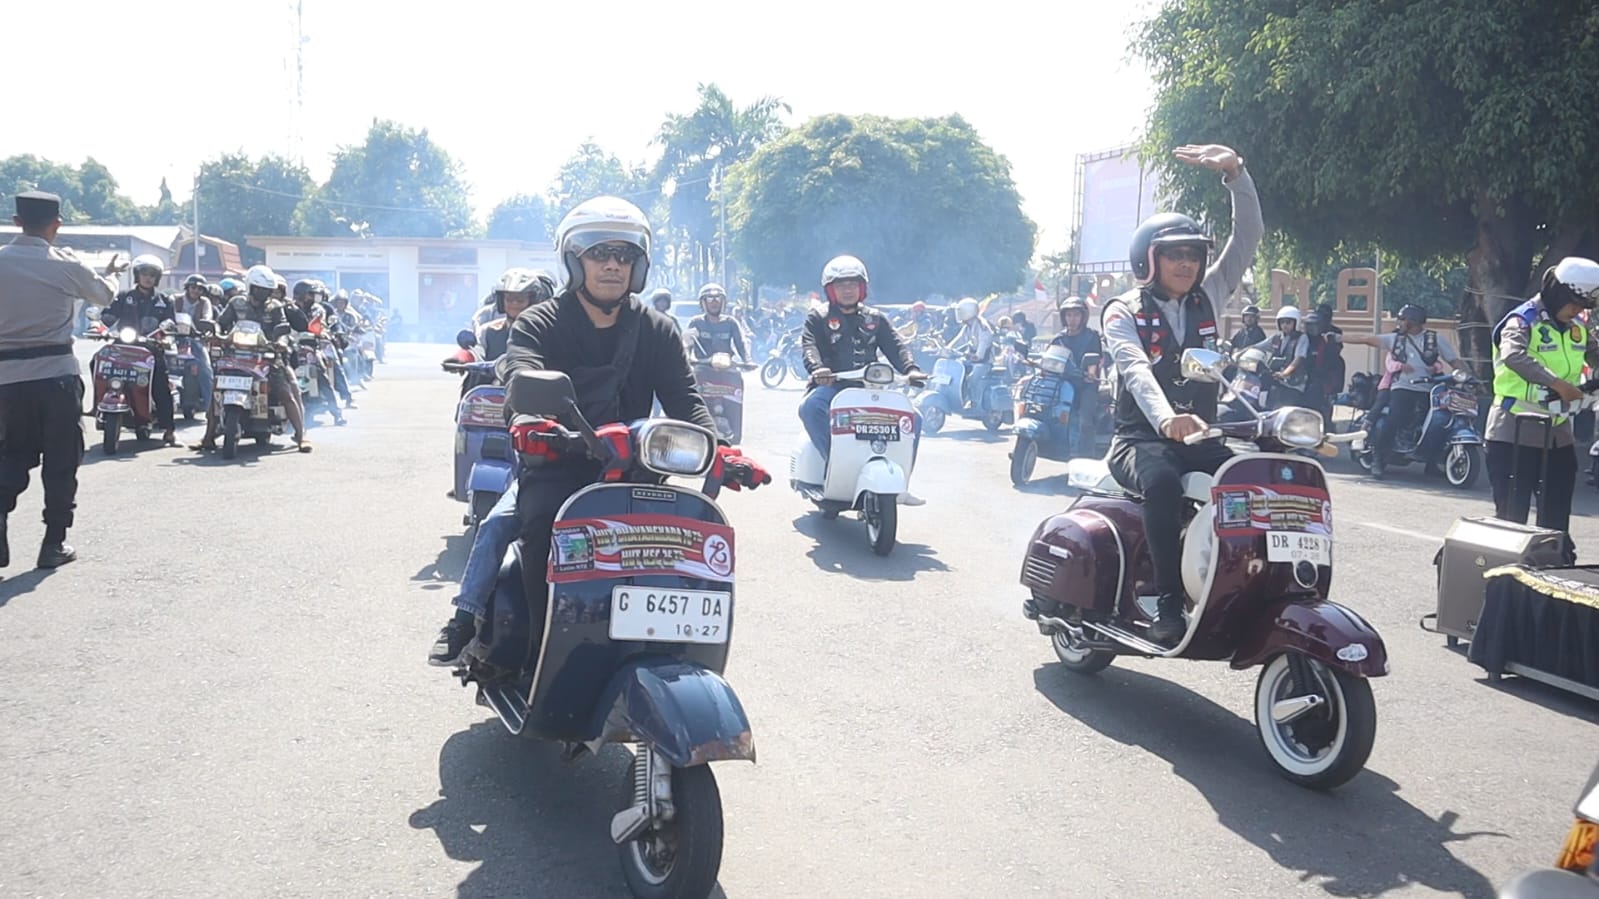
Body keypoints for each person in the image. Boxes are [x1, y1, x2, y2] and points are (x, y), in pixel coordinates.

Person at [428, 196, 768, 666]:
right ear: (574, 260)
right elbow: (521, 372)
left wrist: (723, 450)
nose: (613, 265)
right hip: (556, 464)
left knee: (681, 536)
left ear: (640, 265)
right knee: (537, 522)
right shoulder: (539, 322)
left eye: (625, 255)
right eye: (599, 253)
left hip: (633, 467)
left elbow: (685, 398)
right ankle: (535, 653)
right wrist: (530, 422)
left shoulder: (658, 328)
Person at [1101, 143, 1263, 644]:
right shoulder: (1122, 311)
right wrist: (1166, 418)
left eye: (1193, 254)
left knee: (1253, 481)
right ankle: (1169, 602)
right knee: (1165, 484)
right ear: (1149, 259)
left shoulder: (1209, 296)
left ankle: (1244, 584)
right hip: (1139, 441)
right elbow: (1135, 370)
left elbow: (1249, 235)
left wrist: (1236, 173)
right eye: (1174, 254)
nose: (1186, 263)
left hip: (1202, 436)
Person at [0, 191, 124, 569]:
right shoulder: (63, 264)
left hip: (5, 382)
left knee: (8, 457)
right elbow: (103, 295)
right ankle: (53, 544)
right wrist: (111, 275)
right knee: (61, 461)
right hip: (55, 377)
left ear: (17, 221)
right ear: (57, 224)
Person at [1482, 258, 1599, 544]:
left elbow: (1595, 353)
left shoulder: (1577, 326)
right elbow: (1513, 356)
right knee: (1512, 521)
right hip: (1514, 432)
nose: (1578, 310)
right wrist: (1558, 384)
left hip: (1557, 433)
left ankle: (1551, 574)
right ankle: (1507, 585)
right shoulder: (1522, 320)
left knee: (1555, 522)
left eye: (1583, 306)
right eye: (1574, 303)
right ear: (1558, 292)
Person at [797, 255, 928, 496]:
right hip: (834, 386)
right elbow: (809, 346)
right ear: (831, 290)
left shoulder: (875, 318)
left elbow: (896, 347)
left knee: (914, 417)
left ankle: (902, 480)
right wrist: (817, 370)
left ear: (862, 288)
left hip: (871, 389)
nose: (847, 290)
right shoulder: (818, 317)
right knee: (811, 407)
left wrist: (911, 370)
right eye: (841, 285)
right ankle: (833, 464)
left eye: (853, 284)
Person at [1338, 304, 1467, 477]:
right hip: (1403, 387)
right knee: (1395, 417)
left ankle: (1432, 462)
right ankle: (1379, 458)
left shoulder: (1434, 339)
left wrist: (1467, 377)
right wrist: (1340, 338)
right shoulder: (1395, 339)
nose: (1400, 322)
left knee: (1440, 421)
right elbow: (1366, 339)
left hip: (1431, 388)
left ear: (1412, 321)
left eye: (1403, 319)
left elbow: (1454, 361)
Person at [197, 264, 314, 452]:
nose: (262, 293)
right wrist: (215, 333)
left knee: (286, 392)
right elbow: (221, 323)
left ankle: (301, 436)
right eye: (259, 289)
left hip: (267, 356)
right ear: (250, 286)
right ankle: (208, 436)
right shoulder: (236, 303)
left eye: (266, 290)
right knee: (215, 392)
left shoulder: (275, 306)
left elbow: (282, 326)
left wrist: (282, 342)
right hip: (235, 354)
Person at [98, 254, 179, 446]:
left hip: (150, 350)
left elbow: (170, 323)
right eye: (144, 273)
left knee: (160, 383)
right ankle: (98, 407)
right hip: (123, 347)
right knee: (96, 361)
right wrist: (99, 327)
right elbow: (108, 317)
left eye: (152, 274)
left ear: (157, 278)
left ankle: (169, 430)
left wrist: (166, 333)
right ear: (137, 275)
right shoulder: (124, 297)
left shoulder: (164, 301)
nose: (148, 278)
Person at [1050, 296, 1104, 453]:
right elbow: (1050, 357)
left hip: (1085, 384)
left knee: (1085, 419)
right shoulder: (1059, 338)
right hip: (1062, 382)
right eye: (1068, 315)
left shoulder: (1091, 336)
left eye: (1075, 315)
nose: (1071, 319)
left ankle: (1086, 455)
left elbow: (1094, 359)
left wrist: (1091, 374)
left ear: (1083, 317)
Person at [175, 274, 217, 415]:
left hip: (196, 340)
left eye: (200, 289)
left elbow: (207, 317)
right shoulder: (175, 300)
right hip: (173, 339)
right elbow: (167, 315)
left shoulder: (204, 303)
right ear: (187, 288)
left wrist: (203, 327)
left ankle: (209, 406)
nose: (196, 291)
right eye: (193, 287)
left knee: (205, 370)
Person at [949, 297, 996, 408]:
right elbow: (959, 340)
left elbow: (981, 350)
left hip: (984, 362)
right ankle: (959, 398)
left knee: (972, 378)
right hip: (972, 360)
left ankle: (973, 402)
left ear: (967, 311)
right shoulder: (968, 326)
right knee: (956, 372)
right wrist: (946, 349)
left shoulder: (983, 327)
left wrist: (975, 355)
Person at [684, 282, 750, 361]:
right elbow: (687, 345)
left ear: (723, 303)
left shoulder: (731, 322)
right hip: (702, 366)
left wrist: (747, 360)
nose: (714, 302)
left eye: (718, 299)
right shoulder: (695, 322)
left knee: (736, 373)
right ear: (703, 303)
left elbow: (740, 344)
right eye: (709, 299)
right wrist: (687, 358)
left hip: (727, 366)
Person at [1259, 306, 1310, 408]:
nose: (1284, 325)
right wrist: (1240, 353)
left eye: (1288, 322)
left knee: (1284, 410)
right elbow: (1258, 347)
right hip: (1278, 381)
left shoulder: (1302, 338)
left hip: (1293, 384)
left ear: (1296, 323)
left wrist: (1285, 373)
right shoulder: (1277, 338)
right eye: (1282, 322)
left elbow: (1298, 358)